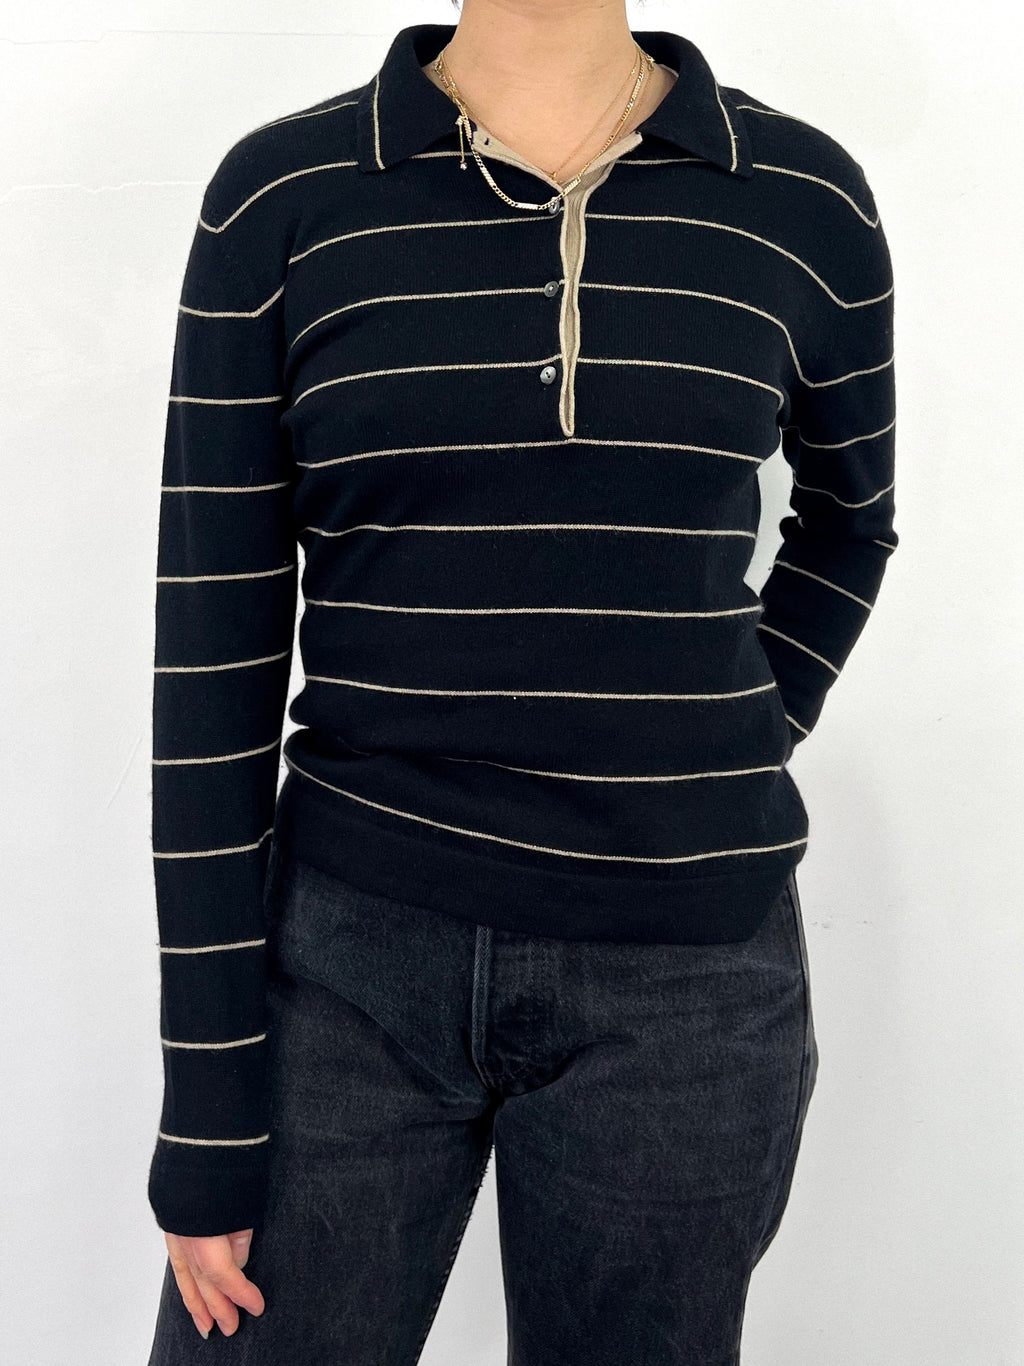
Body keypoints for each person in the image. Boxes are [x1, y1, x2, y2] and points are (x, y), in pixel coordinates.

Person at [145, 2, 897, 1361]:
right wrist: (206, 1103)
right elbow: (212, 647)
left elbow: (850, 522)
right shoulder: (287, 197)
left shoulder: (801, 198)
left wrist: (729, 727)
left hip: (687, 980)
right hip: (348, 960)